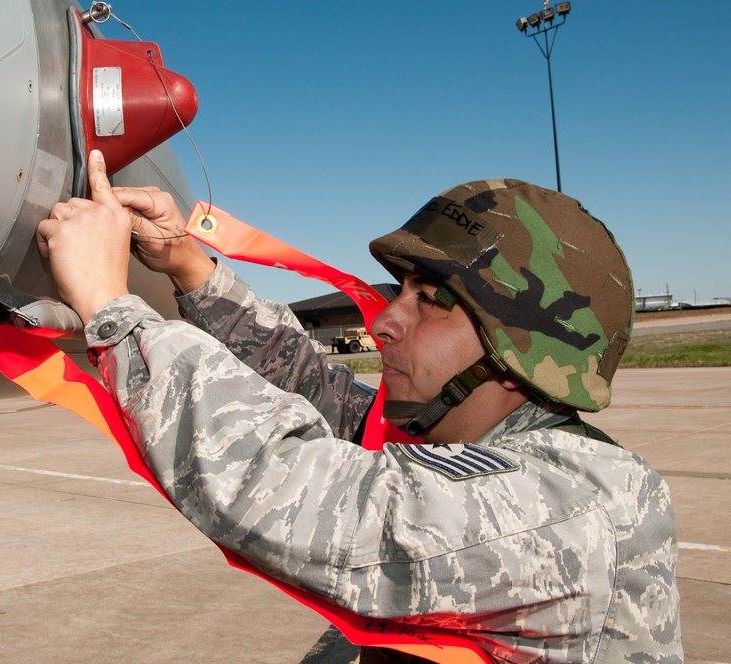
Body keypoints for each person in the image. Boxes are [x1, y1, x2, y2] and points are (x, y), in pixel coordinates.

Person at [36, 150, 682, 663]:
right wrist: (185, 262)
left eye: (429, 300)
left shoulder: (569, 506)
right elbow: (319, 390)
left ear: (517, 352)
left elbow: (285, 488)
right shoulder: (468, 442)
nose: (385, 323)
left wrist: (109, 306)